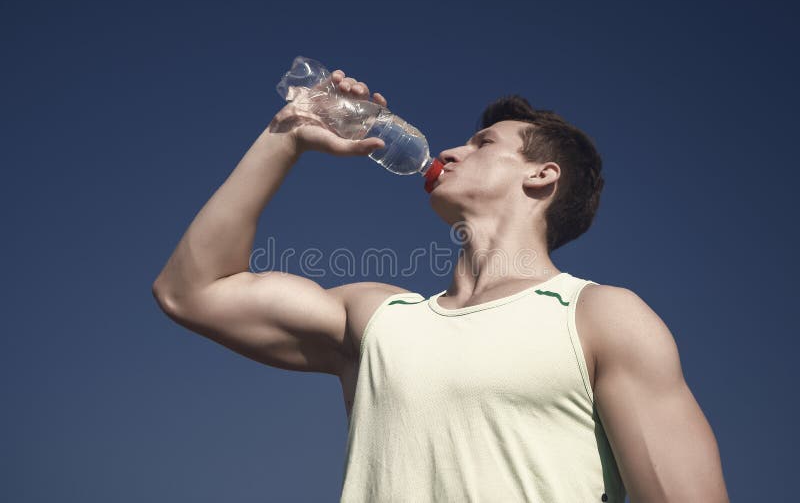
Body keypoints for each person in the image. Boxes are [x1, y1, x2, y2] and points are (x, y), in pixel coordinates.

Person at [152, 69, 730, 502]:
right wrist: (285, 138)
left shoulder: (599, 316)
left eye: (484, 144)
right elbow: (191, 291)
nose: (451, 149)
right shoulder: (378, 318)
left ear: (541, 175)